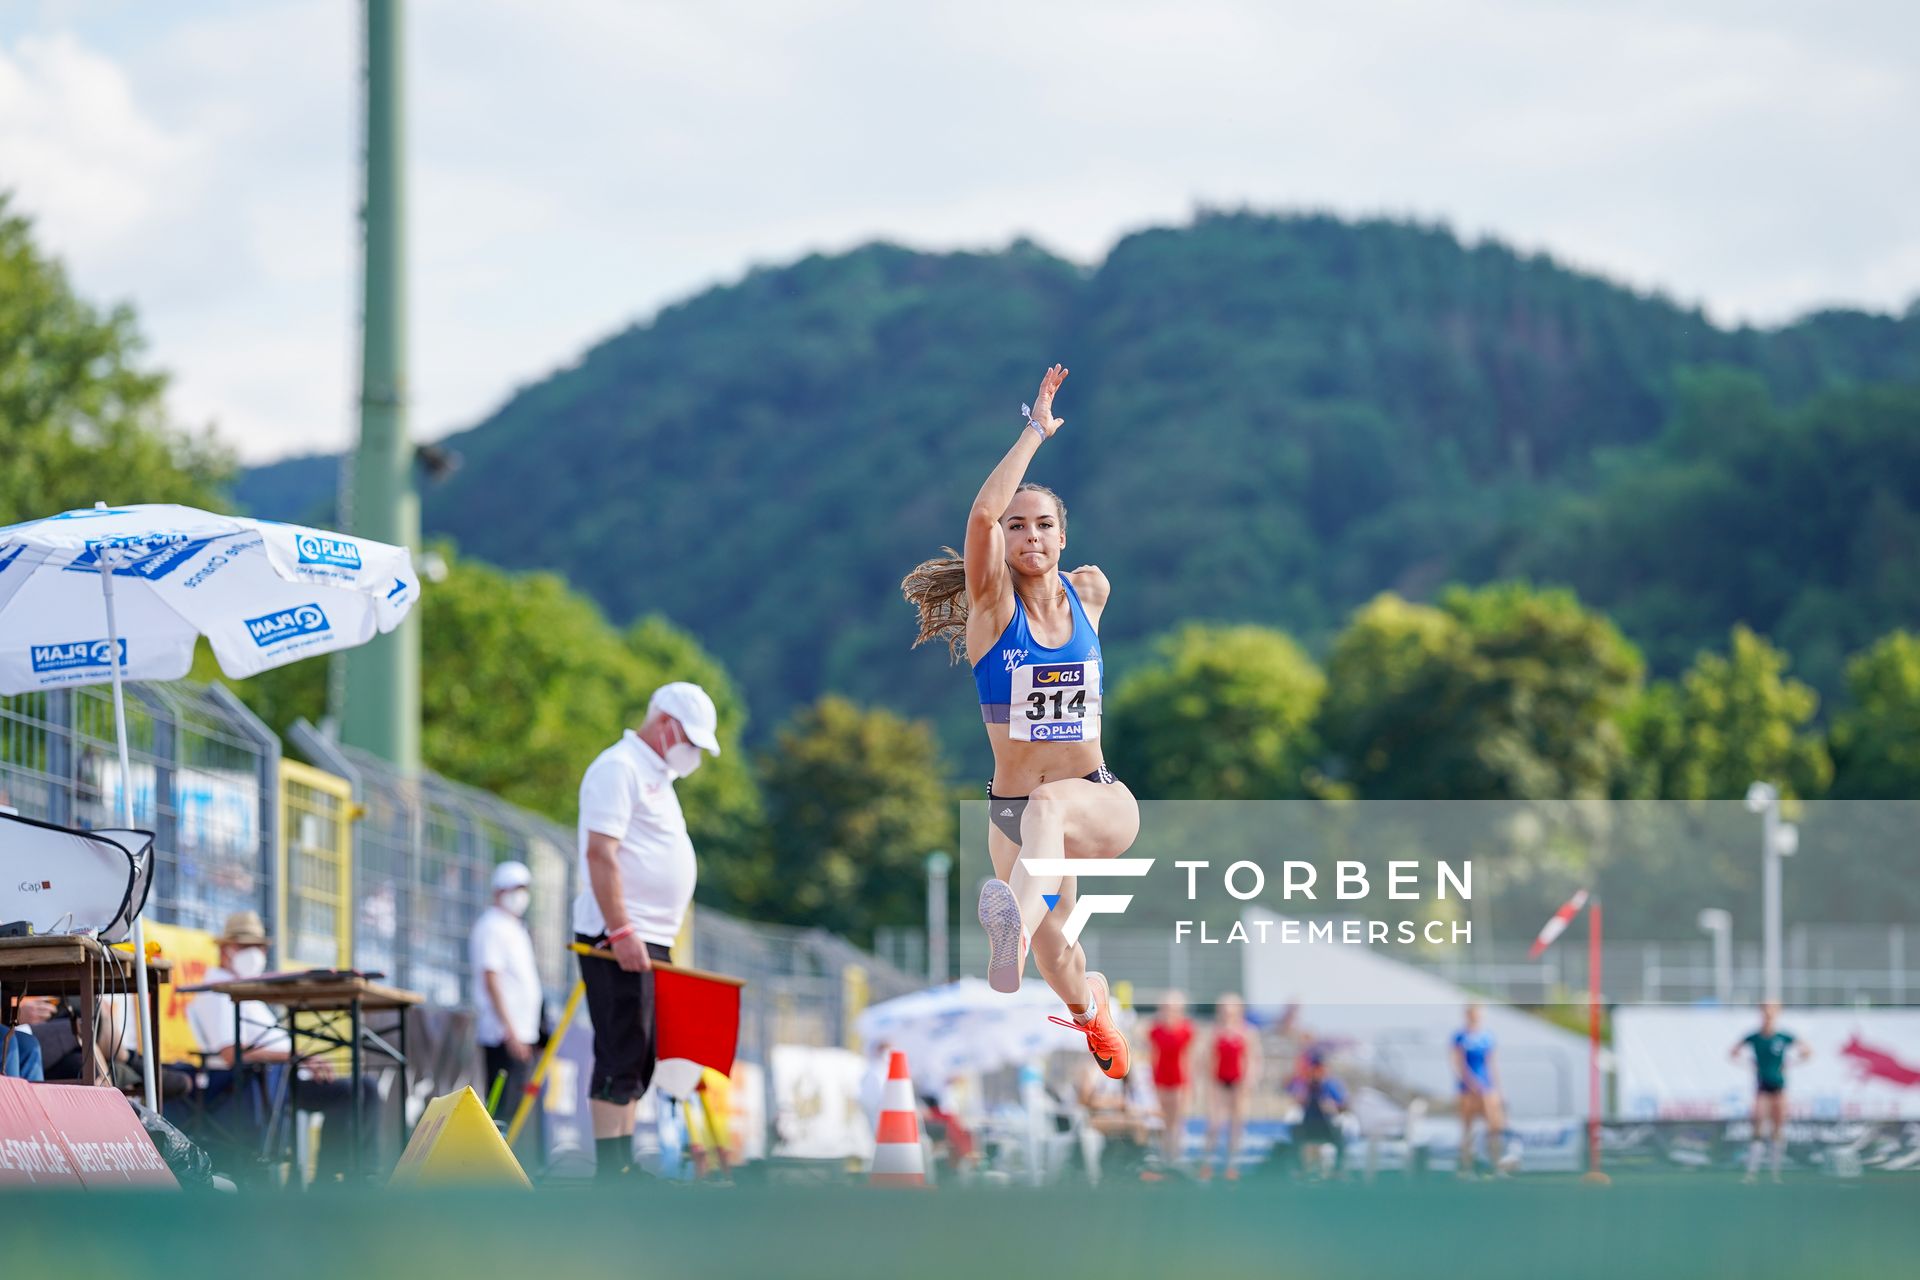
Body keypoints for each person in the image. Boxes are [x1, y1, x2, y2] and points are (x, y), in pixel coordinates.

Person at [901, 363, 1141, 1082]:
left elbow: (1064, 567)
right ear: (1001, 543)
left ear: (1063, 537)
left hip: (1095, 798)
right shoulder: (991, 614)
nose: (1030, 535)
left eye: (1044, 525)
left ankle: (1013, 923)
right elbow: (979, 515)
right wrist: (1035, 431)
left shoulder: (1090, 593)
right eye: (1018, 526)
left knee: (1048, 806)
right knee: (1054, 955)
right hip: (1010, 813)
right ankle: (1093, 1008)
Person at [573, 681, 721, 1179]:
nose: (694, 753)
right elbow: (601, 853)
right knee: (620, 1048)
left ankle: (621, 1164)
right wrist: (620, 931)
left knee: (639, 1055)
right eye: (692, 742)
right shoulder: (619, 768)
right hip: (622, 937)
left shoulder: (654, 775)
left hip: (648, 936)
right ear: (665, 725)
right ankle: (610, 1171)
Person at [185, 910, 373, 1179]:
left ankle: (364, 1177)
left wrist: (297, 1058)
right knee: (351, 1093)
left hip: (280, 1078)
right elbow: (231, 1053)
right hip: (259, 1086)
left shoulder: (245, 989)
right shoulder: (216, 991)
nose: (257, 953)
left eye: (260, 947)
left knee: (365, 1088)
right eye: (248, 946)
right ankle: (329, 1184)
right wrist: (295, 1056)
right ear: (226, 950)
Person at [470, 860, 543, 1129]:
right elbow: (492, 980)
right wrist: (510, 1030)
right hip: (503, 1034)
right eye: (516, 888)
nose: (521, 894)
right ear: (499, 890)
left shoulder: (514, 928)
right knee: (499, 1110)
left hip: (520, 1033)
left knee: (512, 1110)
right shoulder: (491, 926)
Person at [1732, 1000, 1810, 1184]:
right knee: (1758, 1124)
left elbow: (1807, 1051)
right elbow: (1733, 1052)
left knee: (1778, 1127)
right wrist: (1749, 1065)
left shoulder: (1783, 1037)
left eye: (1771, 1012)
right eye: (1765, 1011)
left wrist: (1792, 1063)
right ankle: (1752, 1172)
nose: (1768, 1015)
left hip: (1779, 1086)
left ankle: (1776, 1173)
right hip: (1762, 1087)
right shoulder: (1755, 1037)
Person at [1199, 993, 1260, 1182]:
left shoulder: (1247, 1031)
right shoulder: (1215, 1031)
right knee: (1215, 1124)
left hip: (1238, 1082)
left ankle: (1232, 1165)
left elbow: (1253, 1058)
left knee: (1236, 1124)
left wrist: (1250, 1080)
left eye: (1231, 1010)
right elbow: (1206, 1058)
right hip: (1218, 1082)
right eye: (1225, 1010)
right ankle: (1207, 1163)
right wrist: (1208, 1084)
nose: (1228, 1014)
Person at [1451, 1002, 1507, 1178]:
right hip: (1467, 1088)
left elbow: (1492, 1063)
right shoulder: (1460, 1036)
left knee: (1494, 1126)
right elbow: (1457, 1062)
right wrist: (1469, 1082)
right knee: (1467, 1128)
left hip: (1486, 1085)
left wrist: (1497, 1088)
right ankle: (1466, 1167)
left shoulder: (1487, 1036)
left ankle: (1496, 1165)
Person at [1147, 992, 1194, 1172]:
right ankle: (1164, 1156)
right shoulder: (1155, 1030)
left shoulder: (1186, 1029)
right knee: (1162, 1120)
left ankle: (1175, 1156)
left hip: (1179, 1079)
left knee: (1177, 1120)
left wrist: (1189, 1083)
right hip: (1161, 1077)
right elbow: (1152, 1055)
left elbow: (1189, 1057)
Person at [1289, 1048, 1349, 1179]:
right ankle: (1300, 1169)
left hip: (1326, 1126)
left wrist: (1331, 1106)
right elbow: (1295, 1098)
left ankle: (1338, 1170)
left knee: (1341, 1138)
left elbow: (1344, 1105)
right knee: (1294, 1133)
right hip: (1309, 1125)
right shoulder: (1304, 1084)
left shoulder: (1331, 1084)